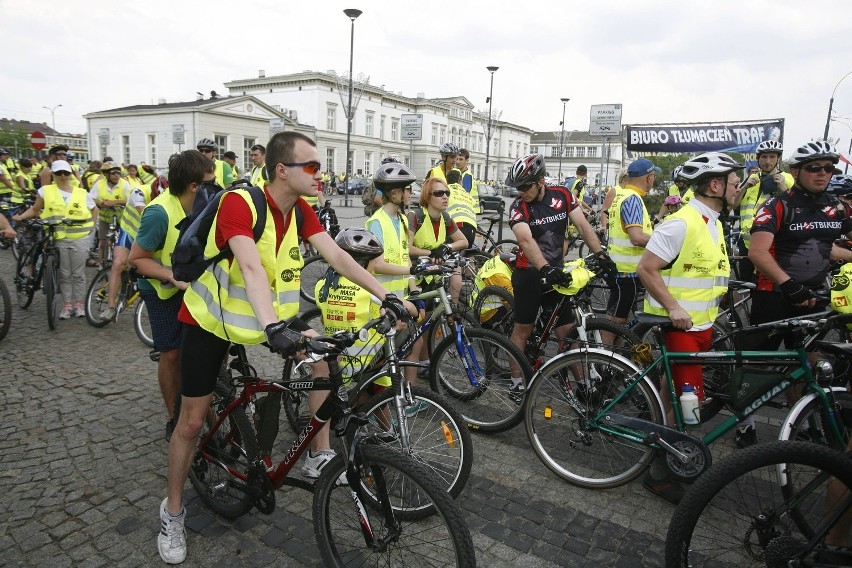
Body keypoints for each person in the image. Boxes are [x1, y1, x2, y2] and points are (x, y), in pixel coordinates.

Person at [156, 132, 409, 564]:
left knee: (326, 361)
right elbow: (251, 266)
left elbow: (339, 258)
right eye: (311, 166)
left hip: (268, 318)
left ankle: (318, 454)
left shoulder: (302, 210)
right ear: (281, 170)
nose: (320, 174)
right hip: (212, 323)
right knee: (192, 422)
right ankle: (173, 511)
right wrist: (275, 327)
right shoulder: (241, 204)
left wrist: (386, 296)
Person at [636, 151, 742, 503]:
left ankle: (658, 449)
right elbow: (647, 269)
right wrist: (673, 307)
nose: (738, 186)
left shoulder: (713, 220)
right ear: (715, 184)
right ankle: (661, 473)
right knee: (689, 404)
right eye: (733, 181)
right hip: (680, 326)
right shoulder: (682, 222)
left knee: (671, 395)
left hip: (703, 326)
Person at [505, 154, 612, 397]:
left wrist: (602, 254)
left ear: (540, 180)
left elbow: (584, 226)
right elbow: (525, 239)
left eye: (525, 186)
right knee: (524, 329)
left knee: (567, 332)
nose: (521, 192)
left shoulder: (561, 195)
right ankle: (516, 382)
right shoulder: (518, 207)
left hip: (556, 274)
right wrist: (545, 268)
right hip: (529, 274)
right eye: (517, 188)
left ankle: (584, 385)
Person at [128, 151, 210, 450]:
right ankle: (174, 416)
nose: (214, 189)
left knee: (208, 349)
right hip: (161, 290)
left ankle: (207, 405)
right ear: (193, 185)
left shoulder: (204, 206)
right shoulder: (158, 212)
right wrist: (172, 276)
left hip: (193, 286)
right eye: (209, 183)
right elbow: (136, 260)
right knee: (172, 353)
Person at [13, 160, 96, 319]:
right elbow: (35, 209)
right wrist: (21, 217)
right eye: (59, 173)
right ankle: (67, 305)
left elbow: (94, 209)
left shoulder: (81, 192)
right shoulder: (45, 191)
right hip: (58, 238)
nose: (63, 176)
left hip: (79, 237)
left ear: (71, 174)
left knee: (78, 273)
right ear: (54, 174)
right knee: (64, 274)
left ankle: (79, 304)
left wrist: (91, 226)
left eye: (66, 173)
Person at [604, 158, 656, 337]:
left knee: (617, 317)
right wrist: (661, 241)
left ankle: (613, 357)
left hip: (619, 266)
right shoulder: (633, 199)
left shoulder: (621, 195)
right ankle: (605, 359)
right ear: (649, 178)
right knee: (616, 321)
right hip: (627, 271)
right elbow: (637, 237)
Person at [734, 140, 795, 281]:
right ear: (758, 159)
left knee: (767, 285)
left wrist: (783, 187)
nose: (767, 161)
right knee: (745, 284)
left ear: (778, 158)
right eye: (764, 157)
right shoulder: (752, 178)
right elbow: (733, 206)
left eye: (772, 157)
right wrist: (743, 188)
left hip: (771, 244)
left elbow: (796, 209)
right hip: (746, 243)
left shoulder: (788, 179)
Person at [100, 181, 149, 321]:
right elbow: (144, 212)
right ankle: (110, 307)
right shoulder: (139, 191)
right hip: (129, 232)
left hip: (143, 237)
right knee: (119, 263)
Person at [89, 161, 132, 266]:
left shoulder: (125, 184)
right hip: (105, 218)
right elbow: (90, 198)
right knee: (103, 243)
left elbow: (131, 200)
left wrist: (115, 202)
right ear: (106, 174)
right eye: (113, 173)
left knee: (124, 242)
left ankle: (125, 263)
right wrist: (100, 203)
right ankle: (101, 264)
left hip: (121, 219)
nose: (116, 175)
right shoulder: (100, 184)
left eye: (118, 173)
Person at [445, 168, 478, 247]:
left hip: (455, 228)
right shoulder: (466, 194)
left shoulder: (445, 191)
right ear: (460, 181)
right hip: (471, 229)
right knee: (465, 256)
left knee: (443, 254)